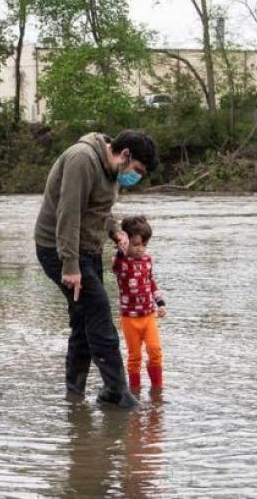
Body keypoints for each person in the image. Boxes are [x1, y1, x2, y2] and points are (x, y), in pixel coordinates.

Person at [35, 130, 159, 408]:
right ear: (125, 154)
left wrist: (115, 231)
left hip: (88, 249)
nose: (136, 177)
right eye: (138, 170)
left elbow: (99, 209)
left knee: (83, 319)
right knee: (99, 310)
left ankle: (74, 394)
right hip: (58, 249)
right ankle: (115, 391)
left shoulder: (111, 169)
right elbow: (69, 213)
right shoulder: (82, 159)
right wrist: (69, 265)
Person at [111, 215, 167, 391]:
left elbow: (151, 282)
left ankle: (157, 389)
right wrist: (121, 250)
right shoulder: (120, 262)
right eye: (136, 245)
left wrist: (160, 303)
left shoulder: (147, 260)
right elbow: (116, 265)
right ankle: (134, 391)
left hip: (148, 315)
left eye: (144, 245)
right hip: (129, 318)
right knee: (134, 357)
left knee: (155, 350)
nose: (140, 249)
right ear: (125, 243)